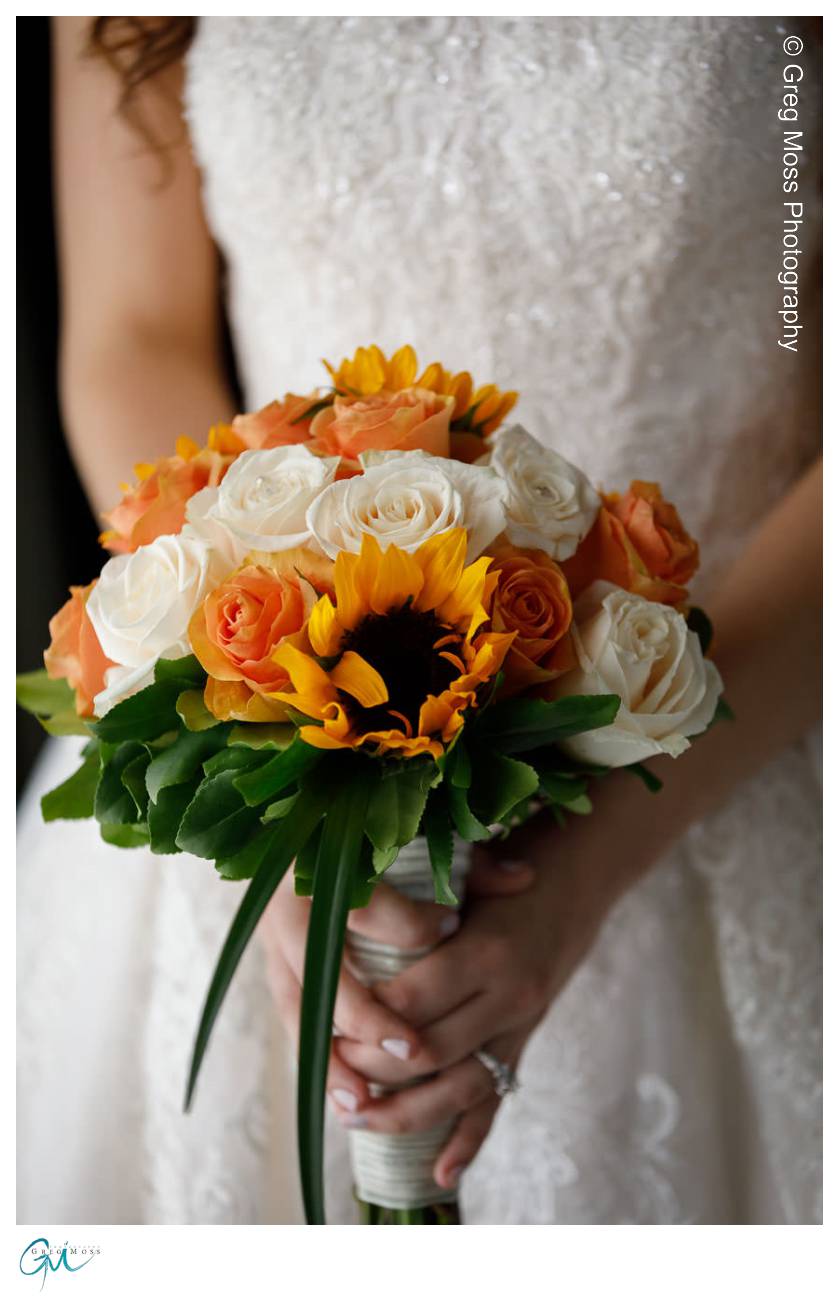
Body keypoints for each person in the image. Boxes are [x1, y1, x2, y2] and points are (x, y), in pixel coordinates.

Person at [18, 15, 821, 1224]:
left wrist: (583, 865)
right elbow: (135, 333)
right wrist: (280, 803)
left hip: (736, 699)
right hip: (275, 687)